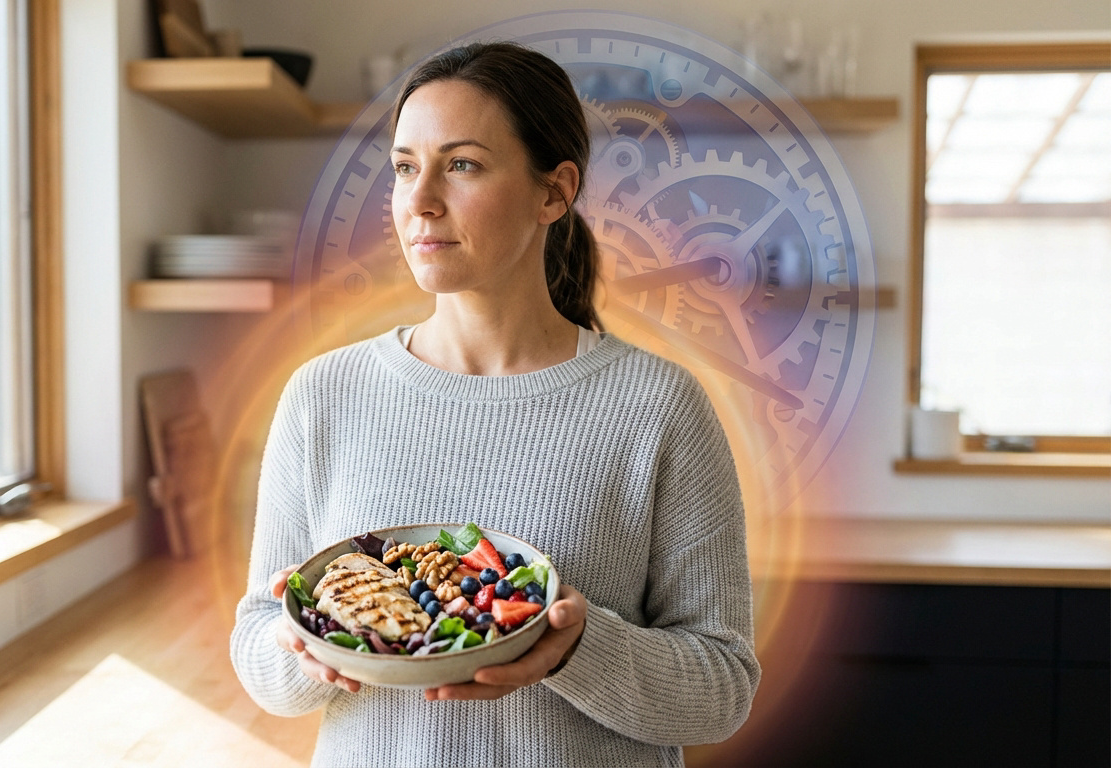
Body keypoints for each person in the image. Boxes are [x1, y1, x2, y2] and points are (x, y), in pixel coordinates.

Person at [229, 41, 759, 767]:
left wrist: (579, 648)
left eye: (463, 164)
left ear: (554, 191)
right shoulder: (324, 396)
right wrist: (307, 647)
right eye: (406, 167)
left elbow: (721, 689)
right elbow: (259, 641)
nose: (420, 200)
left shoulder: (659, 407)